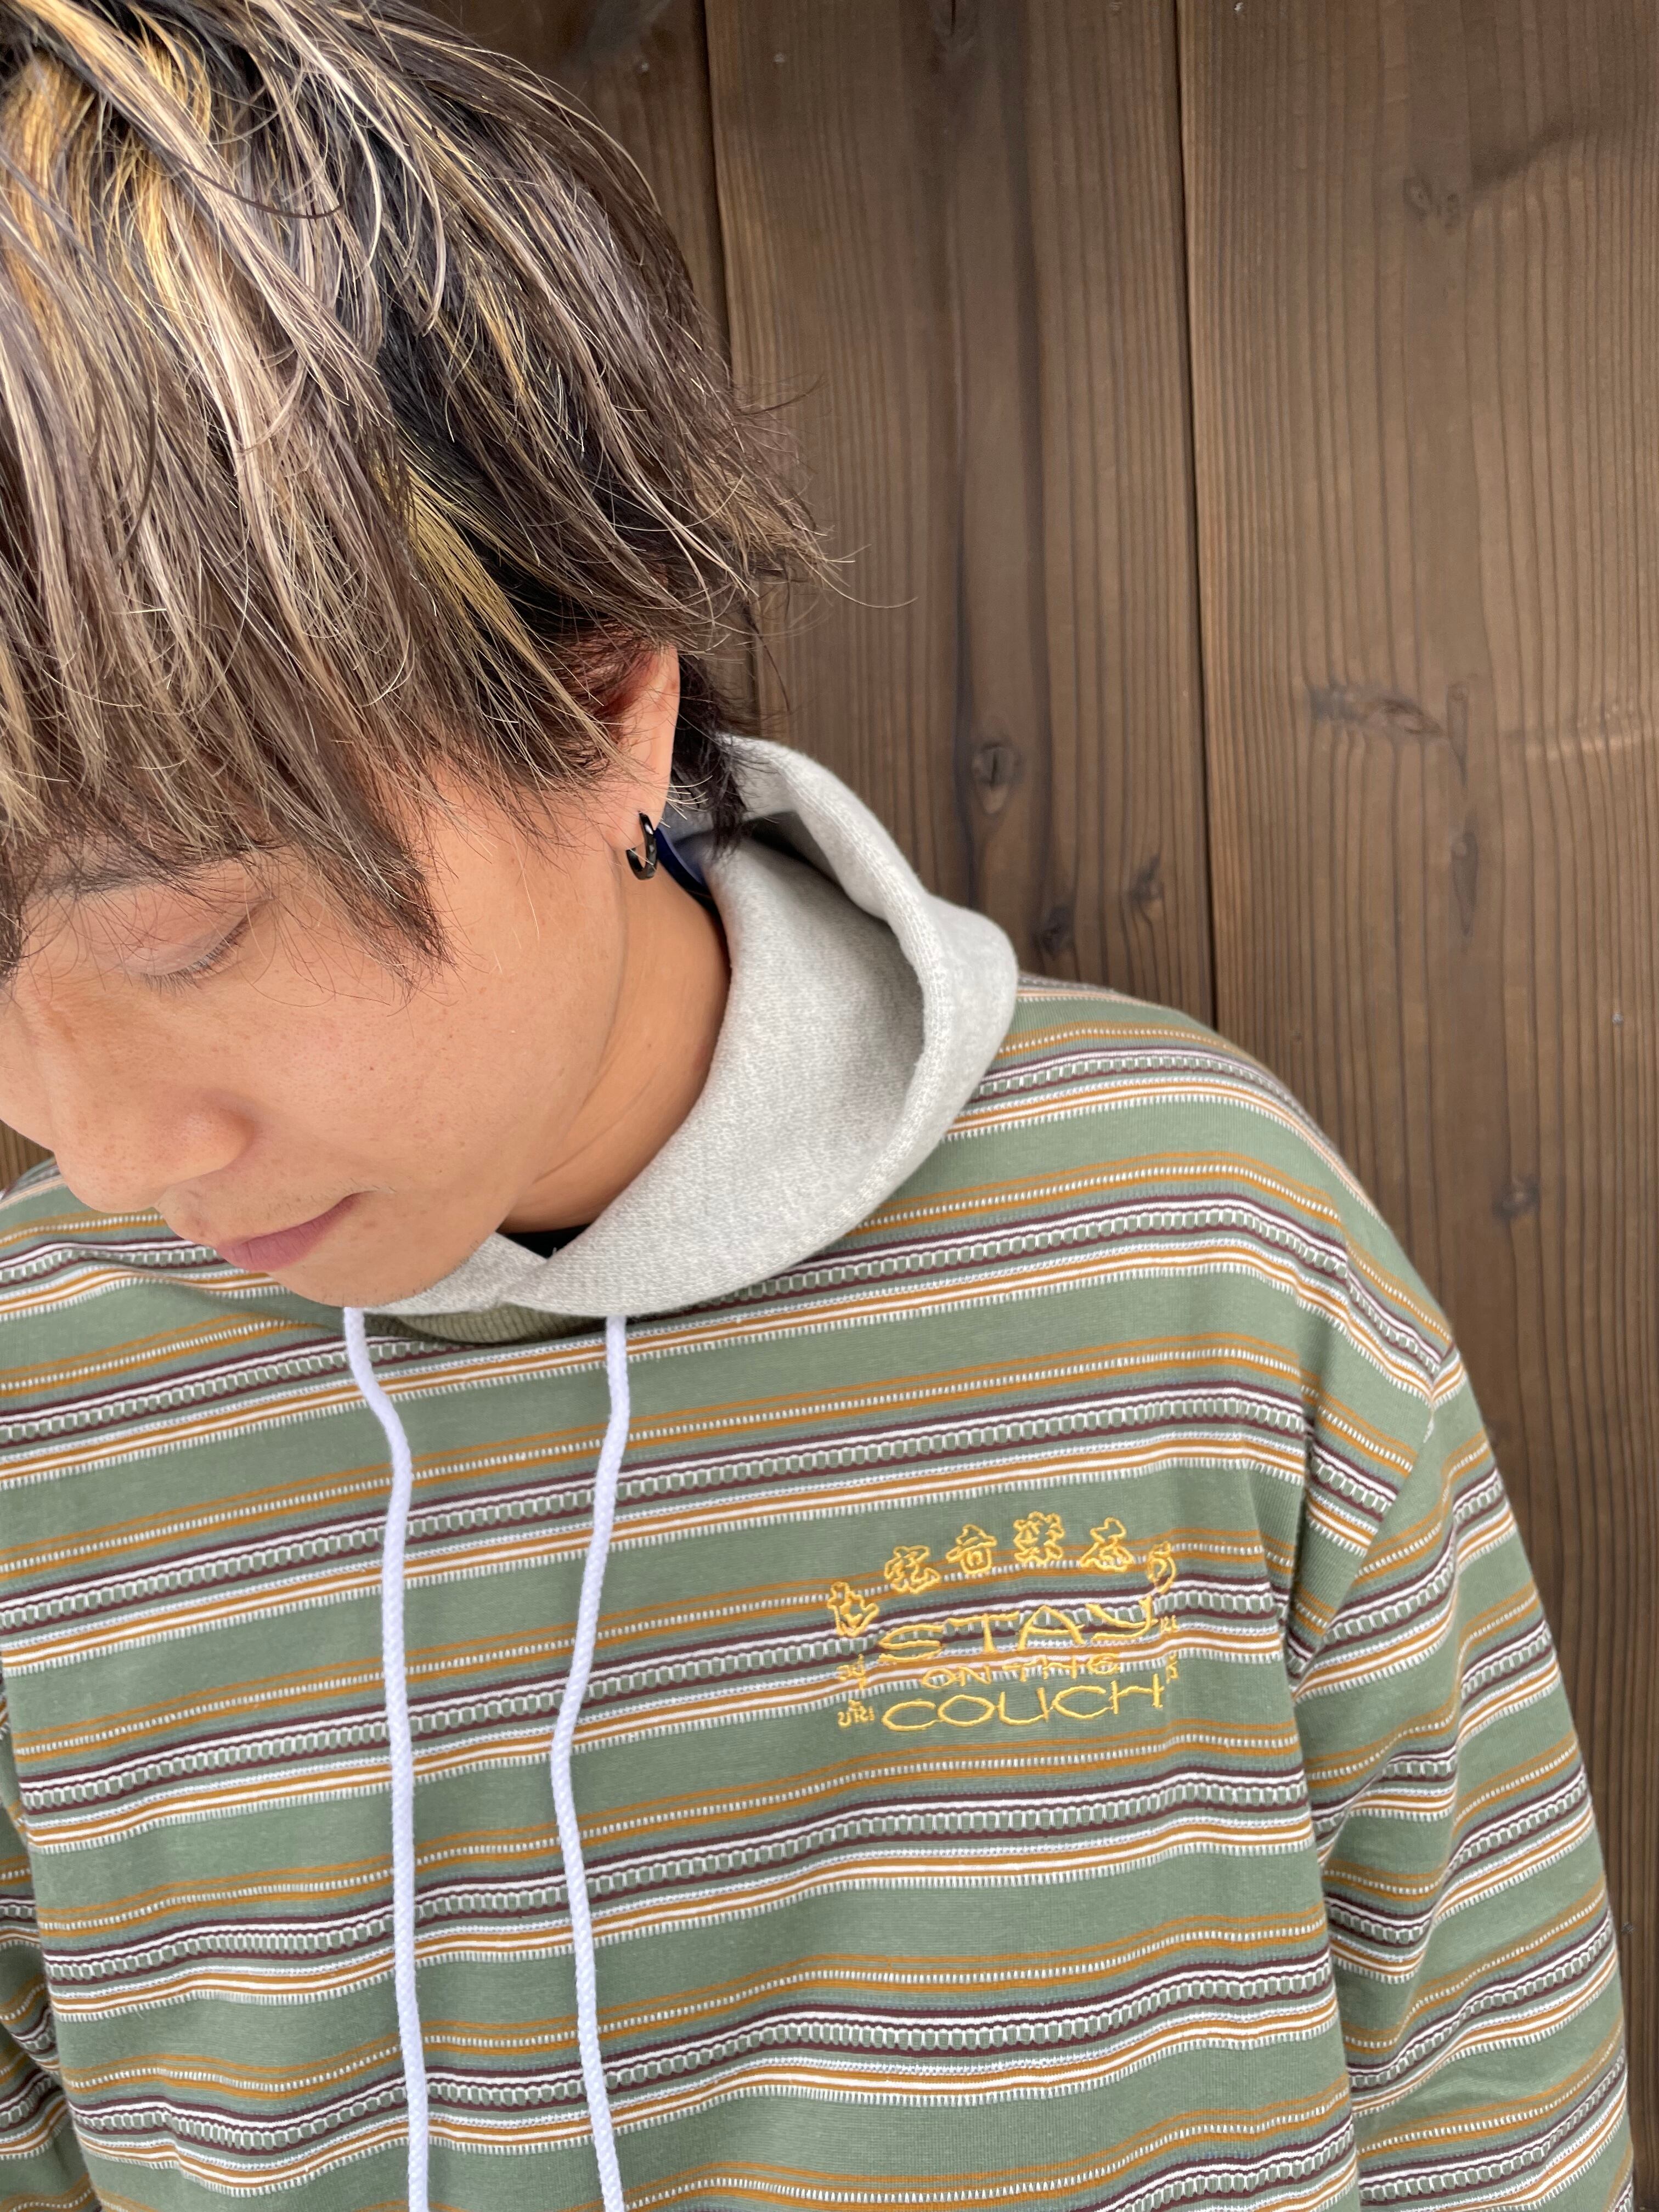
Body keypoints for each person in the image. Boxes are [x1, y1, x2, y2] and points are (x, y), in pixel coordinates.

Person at [0, 2, 1632, 2207]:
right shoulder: (31, 1383)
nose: (101, 1157)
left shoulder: (1190, 1248)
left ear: (604, 702)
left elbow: (1486, 2092)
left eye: (185, 928)